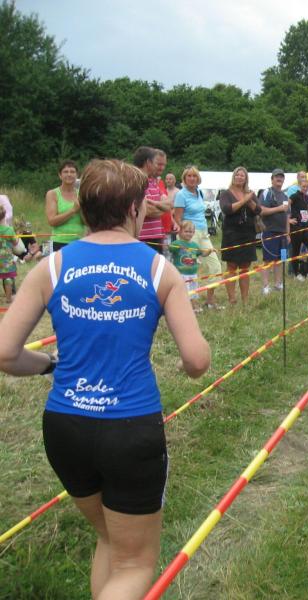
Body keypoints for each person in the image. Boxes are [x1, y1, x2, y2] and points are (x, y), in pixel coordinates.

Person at [0, 159, 210, 600]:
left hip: (65, 426)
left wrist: (50, 365)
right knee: (135, 565)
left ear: (84, 206)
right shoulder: (158, 268)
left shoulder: (52, 266)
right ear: (134, 209)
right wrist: (186, 366)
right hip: (130, 427)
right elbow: (196, 360)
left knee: (112, 540)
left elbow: (5, 352)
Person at [173, 166, 222, 309]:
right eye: (189, 176)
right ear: (184, 178)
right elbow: (177, 219)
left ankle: (210, 300)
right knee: (189, 269)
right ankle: (191, 304)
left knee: (216, 266)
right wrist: (185, 236)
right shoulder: (181, 195)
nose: (192, 178)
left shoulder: (199, 192)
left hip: (203, 233)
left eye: (194, 176)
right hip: (189, 235)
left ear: (198, 178)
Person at [219, 166, 259, 305]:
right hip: (231, 234)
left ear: (246, 178)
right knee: (231, 266)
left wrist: (250, 200)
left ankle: (245, 299)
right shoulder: (226, 193)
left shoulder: (250, 193)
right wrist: (243, 201)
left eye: (242, 175)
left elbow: (258, 210)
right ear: (233, 176)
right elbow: (226, 209)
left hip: (248, 233)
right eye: (237, 174)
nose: (240, 177)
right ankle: (232, 299)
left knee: (245, 267)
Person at [132, 147, 172, 254]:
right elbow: (147, 210)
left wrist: (155, 204)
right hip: (143, 239)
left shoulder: (152, 182)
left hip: (157, 236)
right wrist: (161, 207)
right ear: (148, 163)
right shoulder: (135, 181)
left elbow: (169, 205)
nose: (157, 167)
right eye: (155, 163)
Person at [257, 168, 290, 295]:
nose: (279, 179)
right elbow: (261, 210)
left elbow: (287, 216)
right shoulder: (267, 192)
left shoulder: (285, 196)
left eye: (281, 177)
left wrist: (287, 233)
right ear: (272, 179)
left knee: (280, 259)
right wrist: (279, 208)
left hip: (282, 234)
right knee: (268, 260)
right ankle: (265, 286)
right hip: (269, 231)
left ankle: (278, 283)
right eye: (277, 176)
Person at [170, 221, 212, 313]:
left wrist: (209, 251)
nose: (189, 234)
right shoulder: (177, 243)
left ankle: (194, 306)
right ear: (180, 232)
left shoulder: (194, 245)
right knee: (185, 292)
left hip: (193, 274)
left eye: (191, 232)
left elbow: (202, 254)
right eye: (186, 231)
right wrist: (176, 246)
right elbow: (170, 249)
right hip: (182, 274)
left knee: (193, 291)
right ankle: (185, 308)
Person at [45, 160, 84, 251]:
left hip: (79, 241)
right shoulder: (52, 194)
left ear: (77, 175)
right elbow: (51, 221)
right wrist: (73, 210)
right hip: (58, 242)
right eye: (66, 172)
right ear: (60, 175)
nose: (69, 174)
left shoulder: (82, 194)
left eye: (72, 172)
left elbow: (87, 222)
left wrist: (83, 210)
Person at [288, 172, 308, 278]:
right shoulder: (294, 196)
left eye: (307, 187)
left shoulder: (306, 197)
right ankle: (296, 274)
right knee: (296, 251)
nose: (305, 188)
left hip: (304, 227)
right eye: (303, 186)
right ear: (300, 186)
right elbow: (285, 206)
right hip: (295, 227)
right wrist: (288, 219)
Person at [0, 205, 17, 302]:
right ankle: (9, 298)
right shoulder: (9, 230)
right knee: (8, 278)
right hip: (6, 259)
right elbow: (15, 242)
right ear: (4, 215)